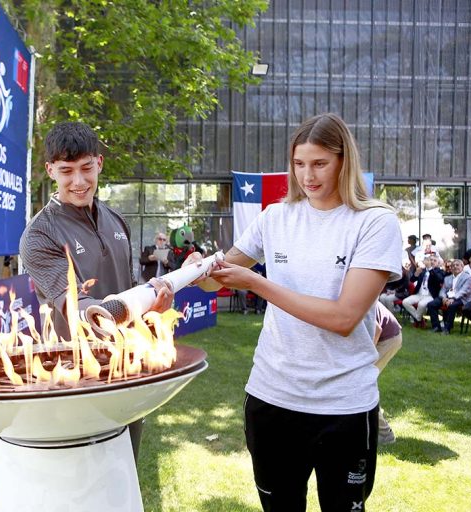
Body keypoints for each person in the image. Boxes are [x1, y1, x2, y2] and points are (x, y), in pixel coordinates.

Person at [190, 113, 402, 511]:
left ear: (344, 161)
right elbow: (216, 279)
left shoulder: (375, 222)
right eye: (299, 163)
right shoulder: (275, 217)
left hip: (343, 405)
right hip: (272, 398)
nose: (307, 175)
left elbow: (343, 318)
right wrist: (197, 271)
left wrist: (256, 283)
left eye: (320, 163)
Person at [19, 121, 173, 462]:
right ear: (50, 170)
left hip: (128, 370)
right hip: (76, 379)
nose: (79, 181)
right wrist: (114, 311)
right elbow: (77, 305)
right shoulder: (39, 235)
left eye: (86, 168)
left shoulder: (116, 220)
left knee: (125, 472)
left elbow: (129, 291)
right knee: (81, 480)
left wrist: (151, 305)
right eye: (66, 171)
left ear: (99, 163)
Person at [373, 302, 402, 445]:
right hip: (385, 333)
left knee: (360, 383)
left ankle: (384, 433)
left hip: (387, 338)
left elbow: (376, 329)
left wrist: (364, 358)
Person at [426, 259, 471, 335]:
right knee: (431, 304)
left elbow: (464, 291)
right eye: (453, 265)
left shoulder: (468, 277)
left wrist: (453, 298)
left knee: (452, 305)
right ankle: (436, 327)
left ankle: (447, 329)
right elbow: (443, 290)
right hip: (447, 297)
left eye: (457, 265)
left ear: (462, 267)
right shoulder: (447, 278)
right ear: (451, 268)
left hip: (462, 298)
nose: (455, 267)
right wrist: (444, 298)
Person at [402, 255, 444, 328]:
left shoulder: (439, 271)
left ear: (438, 263)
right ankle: (419, 319)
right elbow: (412, 280)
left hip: (430, 295)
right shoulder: (422, 270)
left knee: (421, 304)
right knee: (405, 302)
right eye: (430, 260)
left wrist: (430, 269)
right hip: (419, 294)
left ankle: (418, 320)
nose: (432, 262)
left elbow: (439, 279)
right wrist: (416, 274)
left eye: (434, 260)